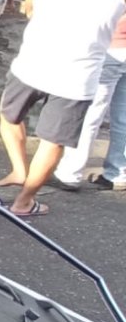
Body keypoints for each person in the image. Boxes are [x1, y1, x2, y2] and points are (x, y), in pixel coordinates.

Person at [0, 0, 126, 216]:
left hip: (31, 62)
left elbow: (30, 10)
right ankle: (24, 201)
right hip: (77, 74)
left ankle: (18, 169)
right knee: (53, 141)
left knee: (9, 118)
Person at [53, 15, 126, 191]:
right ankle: (118, 172)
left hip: (112, 47)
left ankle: (70, 173)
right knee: (122, 117)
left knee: (91, 113)